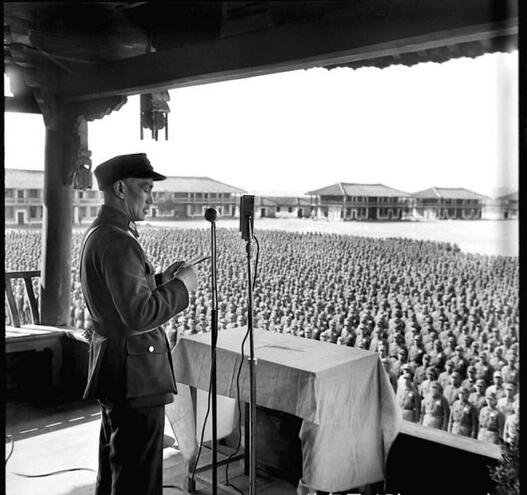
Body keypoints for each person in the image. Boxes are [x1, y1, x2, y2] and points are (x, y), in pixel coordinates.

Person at [80, 153, 199, 495]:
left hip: (117, 369)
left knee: (117, 468)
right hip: (136, 376)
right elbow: (139, 315)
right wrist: (182, 287)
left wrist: (161, 278)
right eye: (145, 188)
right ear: (120, 188)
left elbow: (121, 297)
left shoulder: (102, 232)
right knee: (138, 480)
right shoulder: (119, 241)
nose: (151, 196)